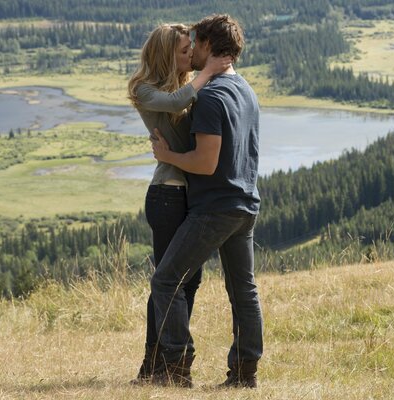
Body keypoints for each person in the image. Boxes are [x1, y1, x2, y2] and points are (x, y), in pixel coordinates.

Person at [148, 14, 263, 388]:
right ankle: (245, 375)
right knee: (243, 291)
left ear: (209, 46)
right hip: (245, 204)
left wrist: (168, 156)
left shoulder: (211, 97)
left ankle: (177, 368)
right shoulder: (245, 90)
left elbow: (206, 162)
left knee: (166, 280)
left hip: (215, 208)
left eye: (196, 42)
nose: (192, 50)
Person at [126, 23, 231, 384]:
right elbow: (173, 104)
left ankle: (164, 361)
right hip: (167, 195)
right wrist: (208, 71)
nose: (191, 54)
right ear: (165, 55)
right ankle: (156, 364)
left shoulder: (185, 88)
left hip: (188, 196)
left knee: (188, 281)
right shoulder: (145, 89)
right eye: (184, 50)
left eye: (191, 48)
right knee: (168, 280)